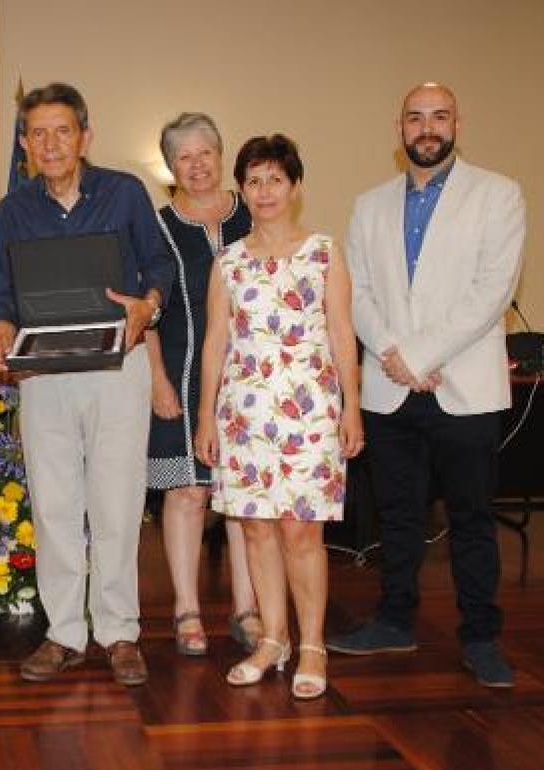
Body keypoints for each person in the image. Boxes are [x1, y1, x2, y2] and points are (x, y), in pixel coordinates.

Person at [327, 83, 526, 688]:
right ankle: (394, 620)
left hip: (462, 386)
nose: (427, 127)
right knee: (397, 517)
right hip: (390, 391)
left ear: (458, 123)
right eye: (416, 118)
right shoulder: (369, 204)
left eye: (439, 116)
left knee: (470, 517)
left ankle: (481, 636)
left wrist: (416, 355)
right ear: (400, 127)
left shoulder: (499, 195)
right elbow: (354, 291)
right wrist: (396, 357)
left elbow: (491, 291)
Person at [0, 83, 175, 687]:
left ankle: (119, 632)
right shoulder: (12, 210)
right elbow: (3, 296)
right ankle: (64, 632)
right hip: (44, 375)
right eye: (37, 133)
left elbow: (160, 267)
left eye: (62, 130)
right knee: (55, 507)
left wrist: (147, 307)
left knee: (118, 504)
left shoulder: (123, 193)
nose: (50, 143)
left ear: (85, 136)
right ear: (24, 143)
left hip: (118, 370)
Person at [195, 134, 362, 700]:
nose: (264, 191)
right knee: (258, 532)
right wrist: (204, 418)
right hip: (244, 417)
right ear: (241, 190)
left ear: (294, 187)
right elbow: (215, 343)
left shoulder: (323, 252)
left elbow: (342, 335)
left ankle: (311, 644)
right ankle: (273, 638)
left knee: (300, 533)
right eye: (253, 181)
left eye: (275, 179)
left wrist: (353, 412)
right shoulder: (228, 262)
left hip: (311, 416)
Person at [145, 113, 264, 656]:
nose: (196, 165)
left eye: (204, 153)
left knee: (241, 499)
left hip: (252, 381)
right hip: (181, 374)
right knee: (188, 492)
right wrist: (157, 381)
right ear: (170, 166)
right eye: (183, 157)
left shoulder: (252, 213)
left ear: (221, 155)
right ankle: (187, 608)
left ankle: (248, 607)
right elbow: (143, 307)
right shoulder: (156, 225)